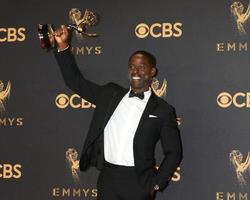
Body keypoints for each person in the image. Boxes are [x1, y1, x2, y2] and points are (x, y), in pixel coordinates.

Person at [51, 25, 182, 200]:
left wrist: (157, 183)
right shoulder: (110, 95)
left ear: (152, 72)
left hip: (139, 182)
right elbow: (74, 82)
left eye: (141, 67)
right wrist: (63, 46)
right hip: (108, 179)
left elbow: (174, 152)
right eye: (131, 66)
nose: (135, 71)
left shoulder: (163, 110)